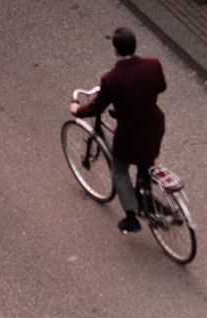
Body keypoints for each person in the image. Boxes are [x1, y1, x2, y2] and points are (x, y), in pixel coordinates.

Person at [70, 27, 166, 234]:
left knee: (120, 171)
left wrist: (77, 110)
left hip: (130, 136)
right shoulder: (153, 65)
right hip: (153, 127)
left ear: (115, 50)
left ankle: (131, 218)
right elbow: (160, 87)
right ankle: (145, 192)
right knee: (145, 161)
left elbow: (96, 108)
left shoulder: (112, 79)